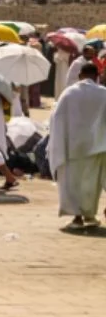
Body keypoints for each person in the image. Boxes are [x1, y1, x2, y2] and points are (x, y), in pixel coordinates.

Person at [48, 64, 106, 230]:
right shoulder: (103, 93)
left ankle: (77, 217)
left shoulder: (69, 93)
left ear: (80, 75)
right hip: (97, 146)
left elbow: (56, 119)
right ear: (97, 75)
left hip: (72, 146)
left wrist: (58, 143)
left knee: (72, 182)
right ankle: (90, 215)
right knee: (91, 183)